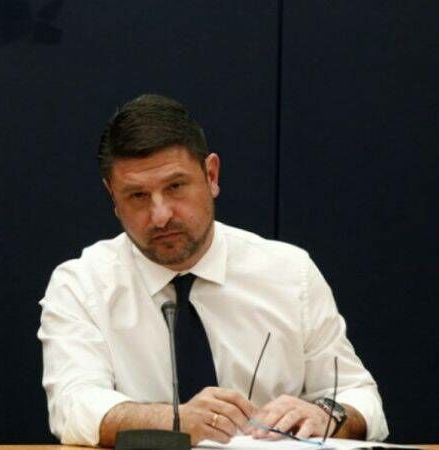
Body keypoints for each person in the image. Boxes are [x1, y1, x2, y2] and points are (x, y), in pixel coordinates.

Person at [38, 94, 388, 446]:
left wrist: (326, 415)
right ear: (112, 196)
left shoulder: (290, 273)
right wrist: (176, 420)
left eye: (175, 187)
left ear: (211, 174)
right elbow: (73, 407)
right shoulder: (81, 284)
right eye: (137, 196)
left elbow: (361, 399)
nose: (160, 216)